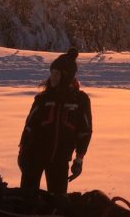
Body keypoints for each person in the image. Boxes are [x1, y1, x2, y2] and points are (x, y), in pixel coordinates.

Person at [18, 47, 93, 195]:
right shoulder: (42, 98)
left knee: (58, 201)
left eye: (57, 73)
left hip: (60, 160)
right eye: (52, 72)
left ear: (66, 76)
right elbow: (29, 126)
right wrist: (23, 151)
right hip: (34, 156)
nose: (52, 77)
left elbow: (84, 131)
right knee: (26, 200)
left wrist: (79, 160)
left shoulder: (80, 100)